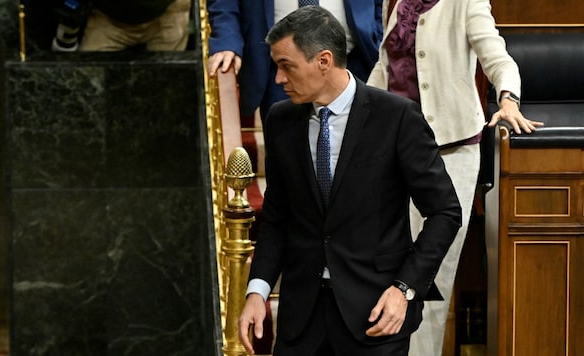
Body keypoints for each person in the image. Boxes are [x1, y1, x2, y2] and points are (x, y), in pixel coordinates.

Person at [237, 6, 462, 355]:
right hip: (302, 320)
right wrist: (258, 291)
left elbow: (445, 212)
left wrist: (404, 289)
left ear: (323, 61)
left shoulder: (397, 118)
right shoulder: (280, 119)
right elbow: (277, 217)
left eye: (286, 65)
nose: (278, 79)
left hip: (376, 315)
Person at [366, 0, 544, 355]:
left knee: (430, 278)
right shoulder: (395, 2)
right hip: (392, 152)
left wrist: (508, 98)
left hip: (450, 151)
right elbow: (385, 70)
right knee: (389, 270)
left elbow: (496, 56)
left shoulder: (466, 0)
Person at [207, 0, 384, 120]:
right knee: (287, 164)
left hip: (354, 62)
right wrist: (226, 40)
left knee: (358, 161)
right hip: (280, 73)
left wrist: (378, 30)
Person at [51, 0, 191, 52]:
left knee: (167, 85)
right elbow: (70, 9)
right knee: (91, 84)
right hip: (109, 22)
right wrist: (65, 43)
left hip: (166, 16)